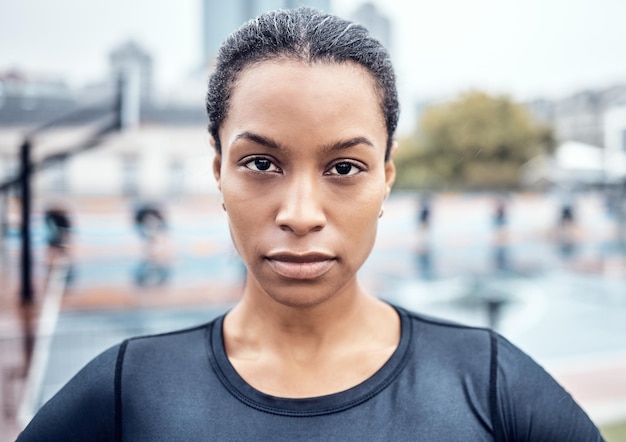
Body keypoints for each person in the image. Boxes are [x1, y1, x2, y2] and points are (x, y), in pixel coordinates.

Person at [18, 8, 603, 441]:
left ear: (387, 176)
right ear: (219, 171)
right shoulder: (128, 391)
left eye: (344, 167)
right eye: (261, 164)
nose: (300, 215)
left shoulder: (489, 385)